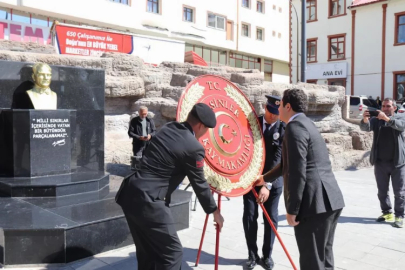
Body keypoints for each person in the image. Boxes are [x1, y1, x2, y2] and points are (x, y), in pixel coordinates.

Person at [116, 103, 224, 270]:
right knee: (172, 254)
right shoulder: (194, 147)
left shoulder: (169, 127)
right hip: (149, 200)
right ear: (201, 125)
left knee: (147, 252)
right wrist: (215, 212)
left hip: (130, 192)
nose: (206, 134)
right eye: (207, 129)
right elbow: (200, 183)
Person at [257, 89, 345, 270]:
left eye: (280, 104)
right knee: (323, 259)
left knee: (312, 262)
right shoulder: (307, 124)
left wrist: (292, 209)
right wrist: (263, 178)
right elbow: (288, 164)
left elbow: (297, 171)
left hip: (314, 205)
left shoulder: (294, 128)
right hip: (329, 201)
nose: (278, 108)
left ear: (288, 106)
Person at [243, 95, 285, 270]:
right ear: (265, 108)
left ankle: (267, 256)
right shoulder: (253, 123)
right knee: (250, 217)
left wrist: (267, 184)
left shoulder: (283, 128)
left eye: (277, 113)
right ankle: (252, 255)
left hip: (272, 181)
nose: (273, 116)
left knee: (271, 219)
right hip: (251, 180)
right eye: (271, 112)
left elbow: (278, 159)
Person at [360, 98, 405, 228]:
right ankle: (387, 213)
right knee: (382, 191)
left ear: (394, 108)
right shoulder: (377, 120)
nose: (385, 108)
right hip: (380, 162)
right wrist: (365, 119)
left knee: (400, 192)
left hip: (398, 163)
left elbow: (400, 126)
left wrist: (387, 119)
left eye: (388, 106)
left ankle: (399, 216)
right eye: (384, 106)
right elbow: (365, 128)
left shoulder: (401, 117)